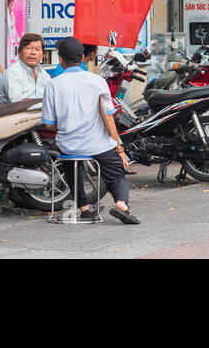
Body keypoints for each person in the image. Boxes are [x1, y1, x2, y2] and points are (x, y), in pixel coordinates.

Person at [40, 36, 138, 224]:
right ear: (83, 56)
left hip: (69, 146)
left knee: (71, 167)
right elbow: (108, 116)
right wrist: (119, 147)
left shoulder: (53, 84)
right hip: (98, 144)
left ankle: (84, 207)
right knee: (116, 172)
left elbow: (49, 124)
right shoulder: (97, 81)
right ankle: (121, 204)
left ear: (60, 59)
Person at [3, 33, 51, 102]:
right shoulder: (12, 72)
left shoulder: (45, 76)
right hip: (15, 112)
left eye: (37, 49)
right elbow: (16, 101)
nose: (33, 52)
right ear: (19, 52)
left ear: (42, 55)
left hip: (39, 112)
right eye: (28, 48)